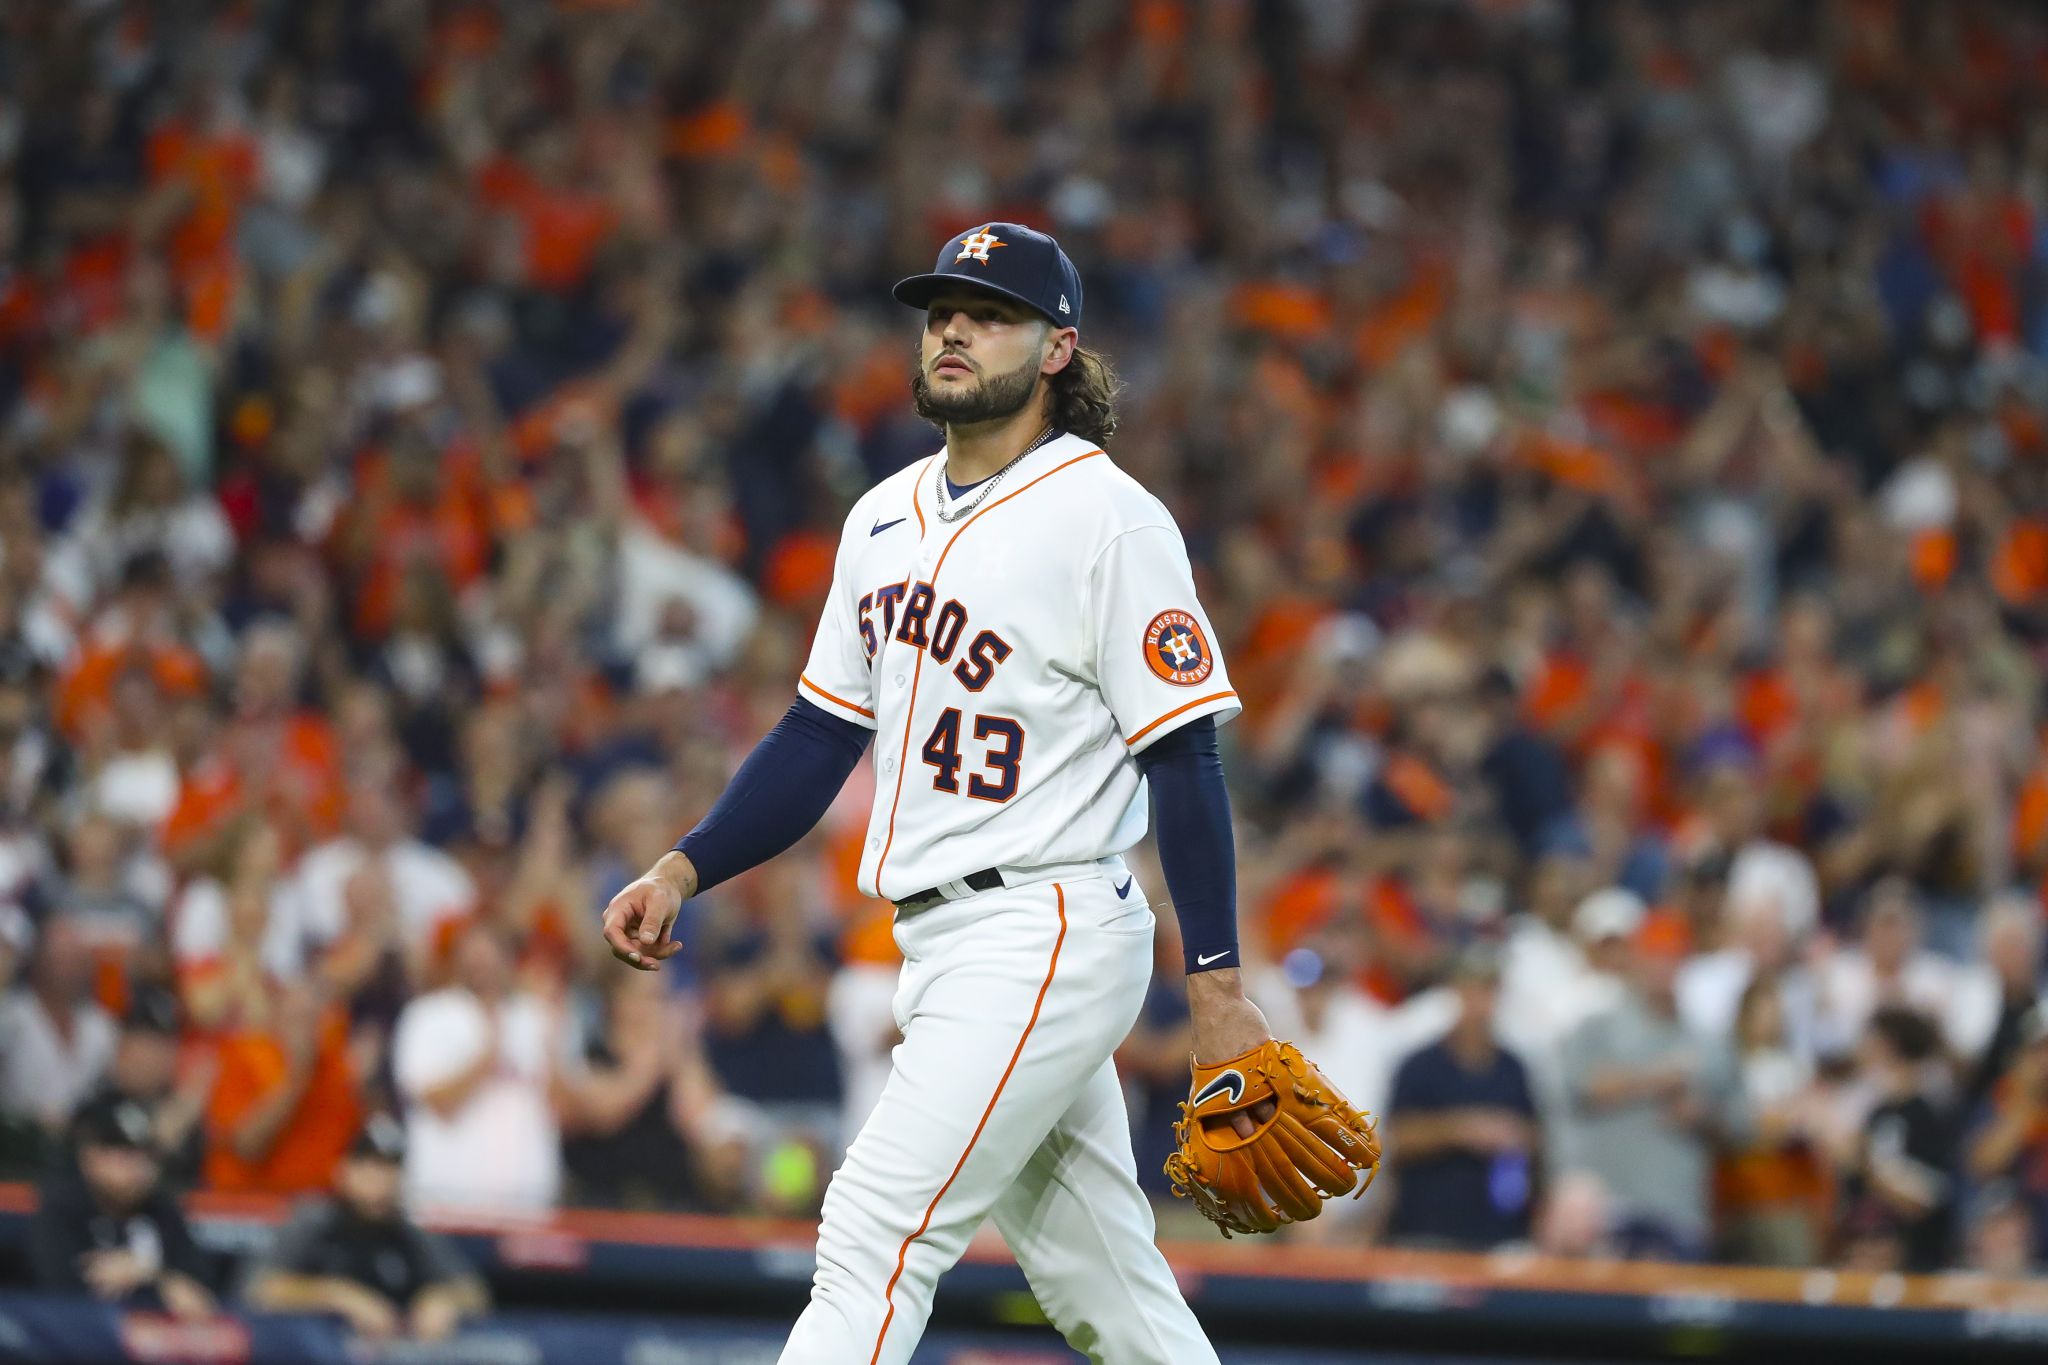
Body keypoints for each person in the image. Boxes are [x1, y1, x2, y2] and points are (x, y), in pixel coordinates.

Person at [602, 223, 1258, 1363]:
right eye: (941, 308)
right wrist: (684, 864)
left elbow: (1182, 756)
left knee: (871, 1234)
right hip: (947, 941)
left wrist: (1215, 983)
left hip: (1043, 927)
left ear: (1055, 348)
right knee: (1108, 1288)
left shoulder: (1108, 518)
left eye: (990, 312)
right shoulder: (878, 518)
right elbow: (817, 735)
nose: (954, 328)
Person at [1558, 912, 1748, 1261]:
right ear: (1636, 959)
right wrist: (1660, 1077)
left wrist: (1703, 1117)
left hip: (1678, 1211)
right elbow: (1584, 1087)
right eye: (1655, 956)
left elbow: (1741, 1124)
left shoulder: (1709, 1042)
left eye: (1672, 957)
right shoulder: (1598, 1026)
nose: (1663, 967)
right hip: (1605, 1211)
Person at [242, 1116, 488, 1341]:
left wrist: (443, 1299)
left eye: (390, 1168)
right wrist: (339, 1295)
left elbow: (474, 1292)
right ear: (344, 1172)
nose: (381, 1181)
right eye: (370, 1167)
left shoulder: (405, 1231)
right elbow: (258, 1290)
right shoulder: (316, 1221)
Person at [1383, 944, 1541, 1251]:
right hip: (1426, 1230)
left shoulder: (1513, 1068)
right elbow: (1396, 1138)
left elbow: (1535, 1137)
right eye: (1472, 991)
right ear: (1455, 994)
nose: (1480, 1003)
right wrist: (1462, 1129)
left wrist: (1514, 1135)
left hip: (1500, 1230)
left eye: (1488, 992)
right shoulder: (1421, 1064)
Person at [29, 1093, 216, 1319]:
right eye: (124, 1155)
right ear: (90, 1157)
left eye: (146, 1155)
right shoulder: (62, 1207)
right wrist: (161, 1286)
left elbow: (198, 1287)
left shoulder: (162, 1209)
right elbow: (62, 1290)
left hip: (157, 1348)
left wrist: (146, 1274)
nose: (139, 1167)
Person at [1839, 1006, 1956, 1273]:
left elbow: (1930, 1198)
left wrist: (1870, 1171)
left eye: (1870, 1041)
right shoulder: (1876, 1113)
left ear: (1888, 1046)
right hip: (1866, 1250)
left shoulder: (1927, 1114)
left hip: (1917, 1263)